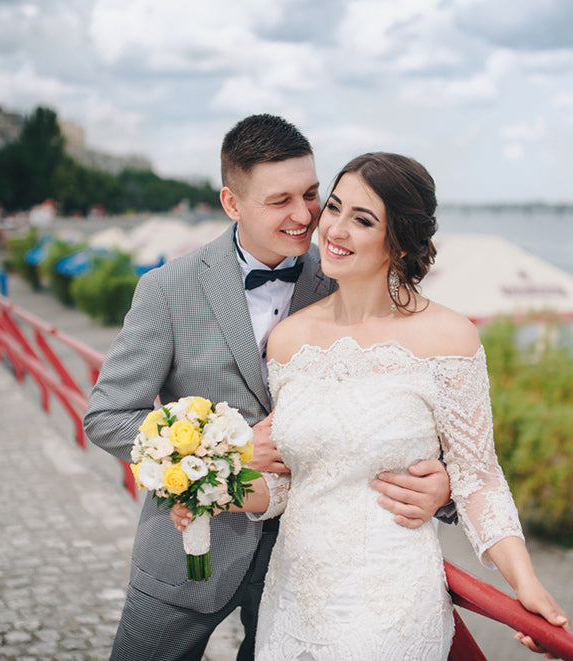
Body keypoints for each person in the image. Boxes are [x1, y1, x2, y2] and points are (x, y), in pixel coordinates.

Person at [84, 116, 453, 661]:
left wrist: (441, 485)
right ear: (233, 204)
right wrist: (226, 451)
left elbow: (411, 401)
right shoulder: (166, 289)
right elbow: (108, 415)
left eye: (311, 194)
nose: (305, 216)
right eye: (281, 200)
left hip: (305, 569)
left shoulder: (347, 276)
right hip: (189, 550)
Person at [174, 152, 569, 659]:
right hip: (293, 600)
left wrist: (526, 586)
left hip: (391, 606)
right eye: (334, 208)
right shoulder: (289, 340)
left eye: (362, 219)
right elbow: (286, 480)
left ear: (400, 241)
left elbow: (478, 478)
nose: (335, 229)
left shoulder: (450, 338)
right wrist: (211, 487)